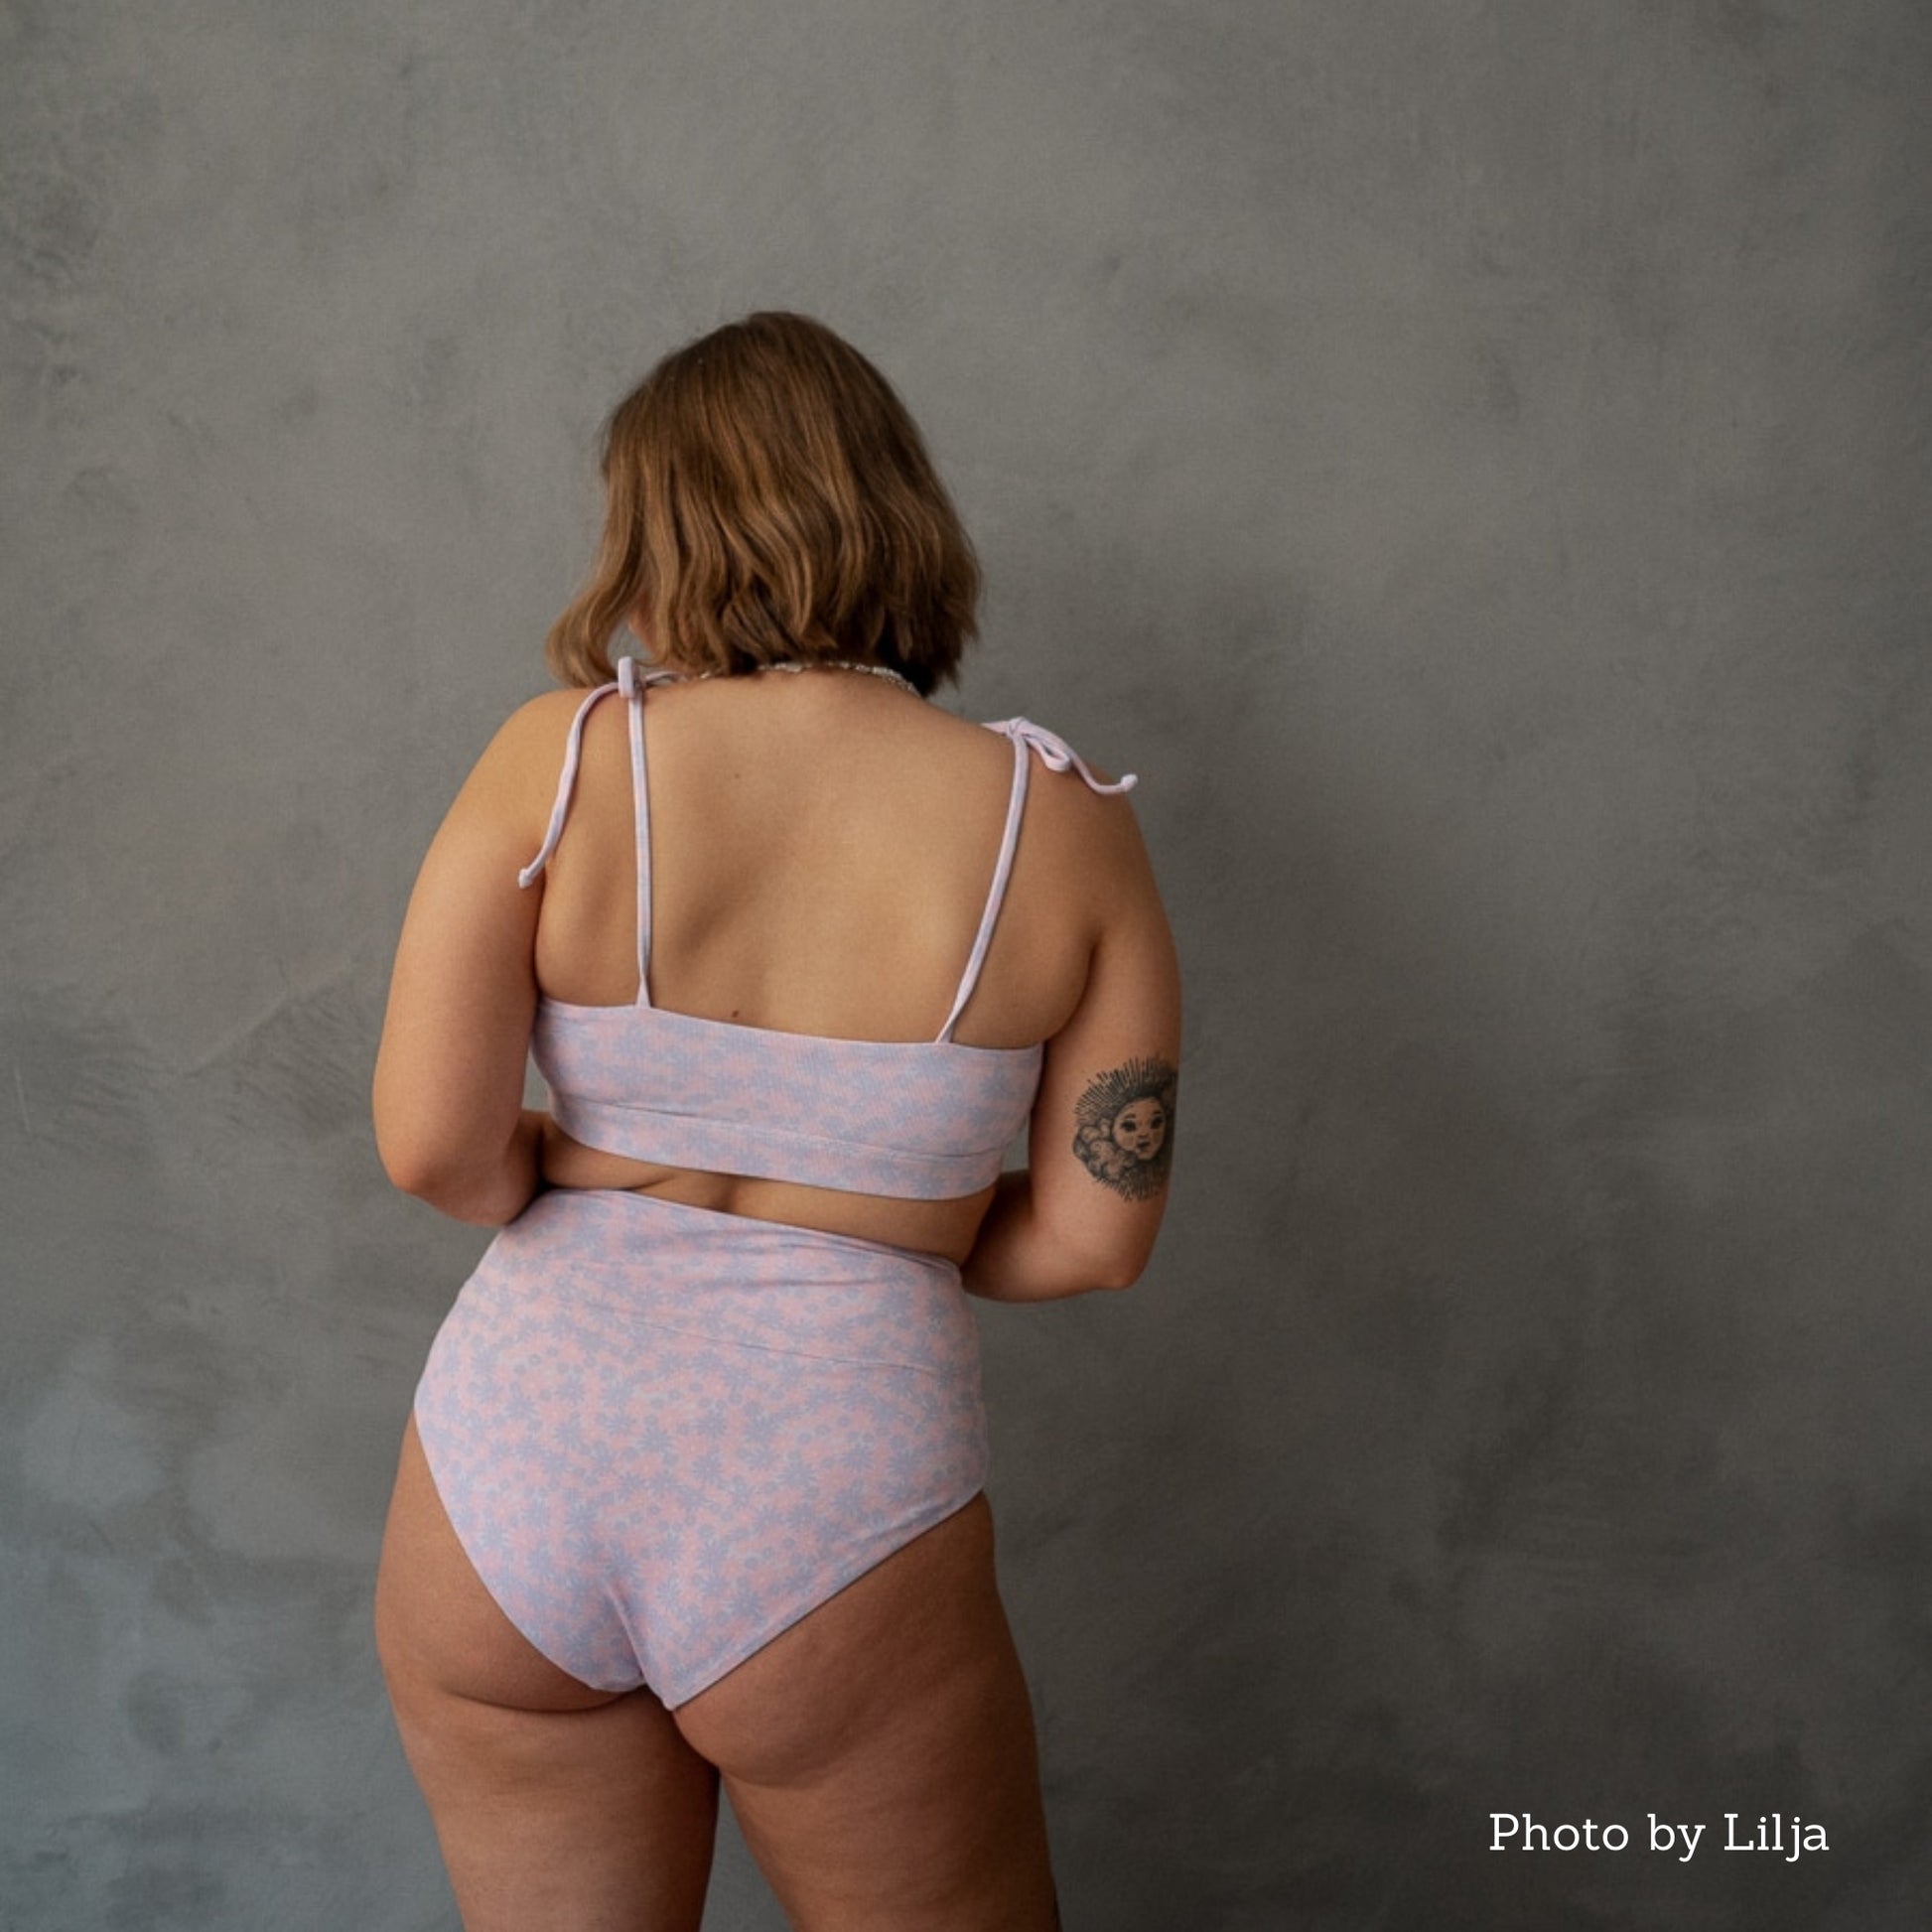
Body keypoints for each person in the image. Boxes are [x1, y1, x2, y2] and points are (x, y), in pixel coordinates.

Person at [369, 311, 1181, 1931]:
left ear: (658, 535)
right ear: (897, 513)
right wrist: (886, 1216)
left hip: (512, 1457)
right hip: (832, 1466)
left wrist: (583, 1165)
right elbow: (1095, 1235)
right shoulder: (1060, 825)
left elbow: (433, 1148)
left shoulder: (556, 761)